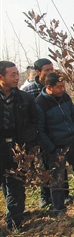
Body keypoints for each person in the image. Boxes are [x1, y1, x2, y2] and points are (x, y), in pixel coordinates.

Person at [35, 72, 74, 216]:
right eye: (59, 87)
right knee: (57, 178)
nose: (63, 89)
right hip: (56, 147)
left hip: (72, 141)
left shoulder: (64, 97)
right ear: (49, 87)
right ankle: (58, 208)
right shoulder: (40, 104)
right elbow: (39, 131)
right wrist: (51, 148)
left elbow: (73, 114)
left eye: (63, 86)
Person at [22, 58, 69, 208]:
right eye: (47, 70)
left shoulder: (58, 86)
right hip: (40, 135)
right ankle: (45, 196)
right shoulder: (28, 90)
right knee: (44, 167)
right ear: (38, 72)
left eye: (51, 69)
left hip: (58, 135)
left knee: (60, 166)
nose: (50, 72)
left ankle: (65, 195)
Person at [0, 61, 37, 230]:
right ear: (1, 77)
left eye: (17, 74)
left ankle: (15, 223)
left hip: (18, 147)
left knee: (16, 185)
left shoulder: (25, 99)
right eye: (12, 74)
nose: (17, 77)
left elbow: (34, 122)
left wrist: (28, 142)